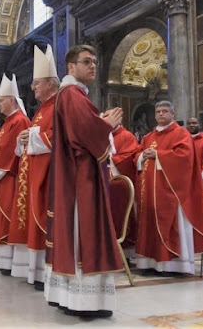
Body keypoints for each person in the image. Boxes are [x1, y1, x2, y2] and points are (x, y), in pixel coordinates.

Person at [45, 45, 124, 318]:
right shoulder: (72, 95)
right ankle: (85, 302)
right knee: (85, 233)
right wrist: (106, 126)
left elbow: (79, 131)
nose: (92, 66)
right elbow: (83, 136)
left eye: (94, 62)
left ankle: (70, 297)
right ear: (71, 67)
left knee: (77, 233)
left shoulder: (71, 95)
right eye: (86, 61)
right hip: (82, 179)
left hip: (75, 176)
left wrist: (99, 124)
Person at [133, 101, 203, 277]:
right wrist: (142, 156)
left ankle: (173, 265)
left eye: (165, 111)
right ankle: (150, 262)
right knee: (149, 224)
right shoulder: (149, 136)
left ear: (173, 114)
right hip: (150, 191)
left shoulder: (181, 134)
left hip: (172, 191)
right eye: (158, 112)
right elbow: (137, 155)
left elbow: (184, 157)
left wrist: (158, 155)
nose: (161, 114)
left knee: (171, 224)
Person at [9, 45, 58, 290]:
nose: (32, 87)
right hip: (34, 173)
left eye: (37, 82)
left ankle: (45, 272)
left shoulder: (59, 105)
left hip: (49, 176)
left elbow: (59, 136)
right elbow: (37, 136)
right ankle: (35, 272)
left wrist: (34, 138)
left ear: (51, 83)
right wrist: (23, 140)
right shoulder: (40, 110)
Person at [0, 74, 30, 274]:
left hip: (11, 177)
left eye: (1, 101)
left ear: (11, 100)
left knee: (8, 217)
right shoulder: (8, 122)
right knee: (1, 217)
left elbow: (8, 151)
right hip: (1, 176)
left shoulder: (19, 121)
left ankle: (12, 262)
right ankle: (3, 261)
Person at [109, 123, 139, 248]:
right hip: (103, 182)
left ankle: (124, 251)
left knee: (120, 216)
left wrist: (108, 159)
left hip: (118, 184)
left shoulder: (126, 136)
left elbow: (128, 157)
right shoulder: (100, 133)